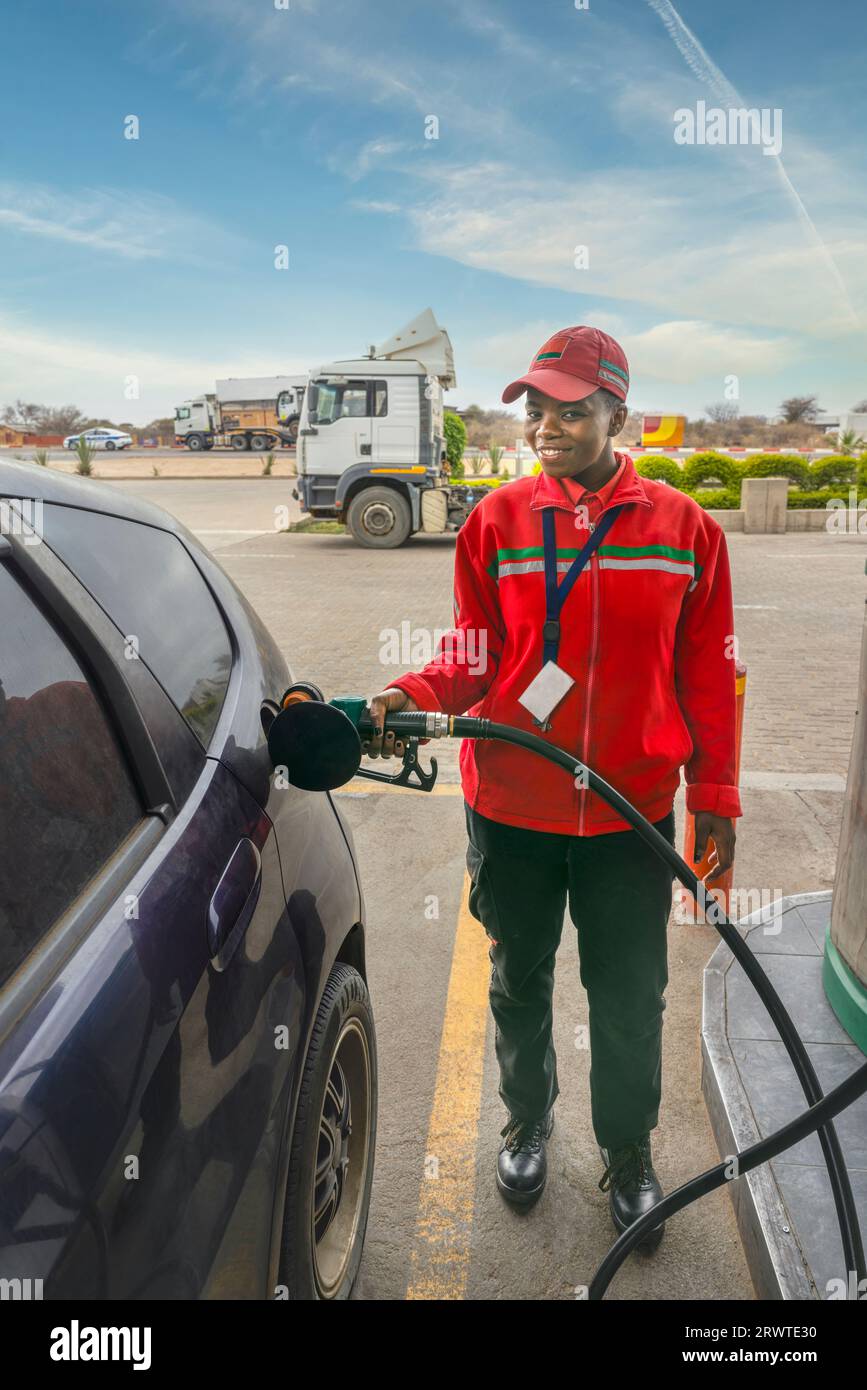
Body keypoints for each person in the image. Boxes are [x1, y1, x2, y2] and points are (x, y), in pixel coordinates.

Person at [365, 325, 741, 1251]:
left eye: (570, 409)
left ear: (617, 413)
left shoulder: (683, 529)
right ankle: (527, 1123)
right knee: (516, 979)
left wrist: (716, 798)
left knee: (628, 993)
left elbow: (708, 673)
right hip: (513, 809)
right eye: (536, 408)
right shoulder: (495, 522)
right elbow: (473, 650)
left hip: (629, 813)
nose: (547, 424)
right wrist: (407, 692)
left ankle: (627, 1150)